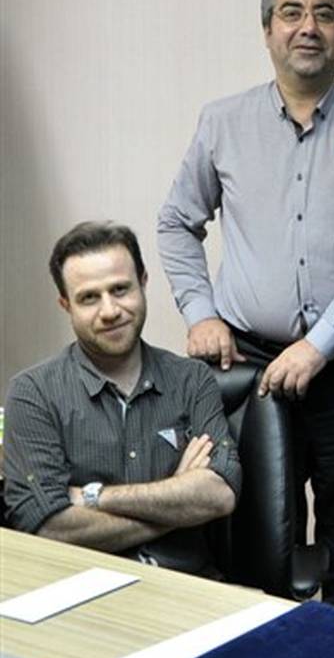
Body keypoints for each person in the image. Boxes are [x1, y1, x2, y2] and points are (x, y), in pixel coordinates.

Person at [157, 0, 334, 598]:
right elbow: (176, 223)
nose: (309, 27)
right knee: (257, 530)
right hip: (248, 367)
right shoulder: (222, 122)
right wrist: (200, 312)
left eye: (325, 15)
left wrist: (318, 345)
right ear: (267, 29)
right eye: (292, 13)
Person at [3, 222, 240, 576]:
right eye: (89, 297)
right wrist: (178, 501)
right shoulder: (33, 393)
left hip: (189, 586)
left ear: (143, 283)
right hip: (79, 590)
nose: (110, 310)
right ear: (66, 305)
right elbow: (49, 528)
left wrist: (92, 496)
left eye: (120, 289)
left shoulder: (192, 380)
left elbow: (218, 495)